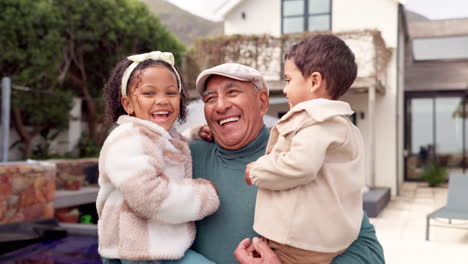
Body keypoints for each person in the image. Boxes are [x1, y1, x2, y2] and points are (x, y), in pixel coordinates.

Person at [190, 62, 385, 264]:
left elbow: (368, 252)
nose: (221, 106)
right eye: (210, 98)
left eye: (232, 92)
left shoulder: (304, 153)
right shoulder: (188, 158)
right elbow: (159, 246)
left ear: (262, 101)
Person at [243, 34, 365, 264]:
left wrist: (256, 171)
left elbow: (300, 166)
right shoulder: (343, 126)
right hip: (322, 240)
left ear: (314, 81)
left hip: (298, 243)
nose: (286, 90)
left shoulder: (317, 121)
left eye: (289, 80)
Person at [97, 51, 219, 264]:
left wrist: (193, 135)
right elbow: (149, 197)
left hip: (154, 247)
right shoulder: (127, 138)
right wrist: (204, 196)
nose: (162, 100)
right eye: (149, 93)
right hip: (138, 253)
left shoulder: (153, 135)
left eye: (171, 93)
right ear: (128, 105)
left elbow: (164, 149)